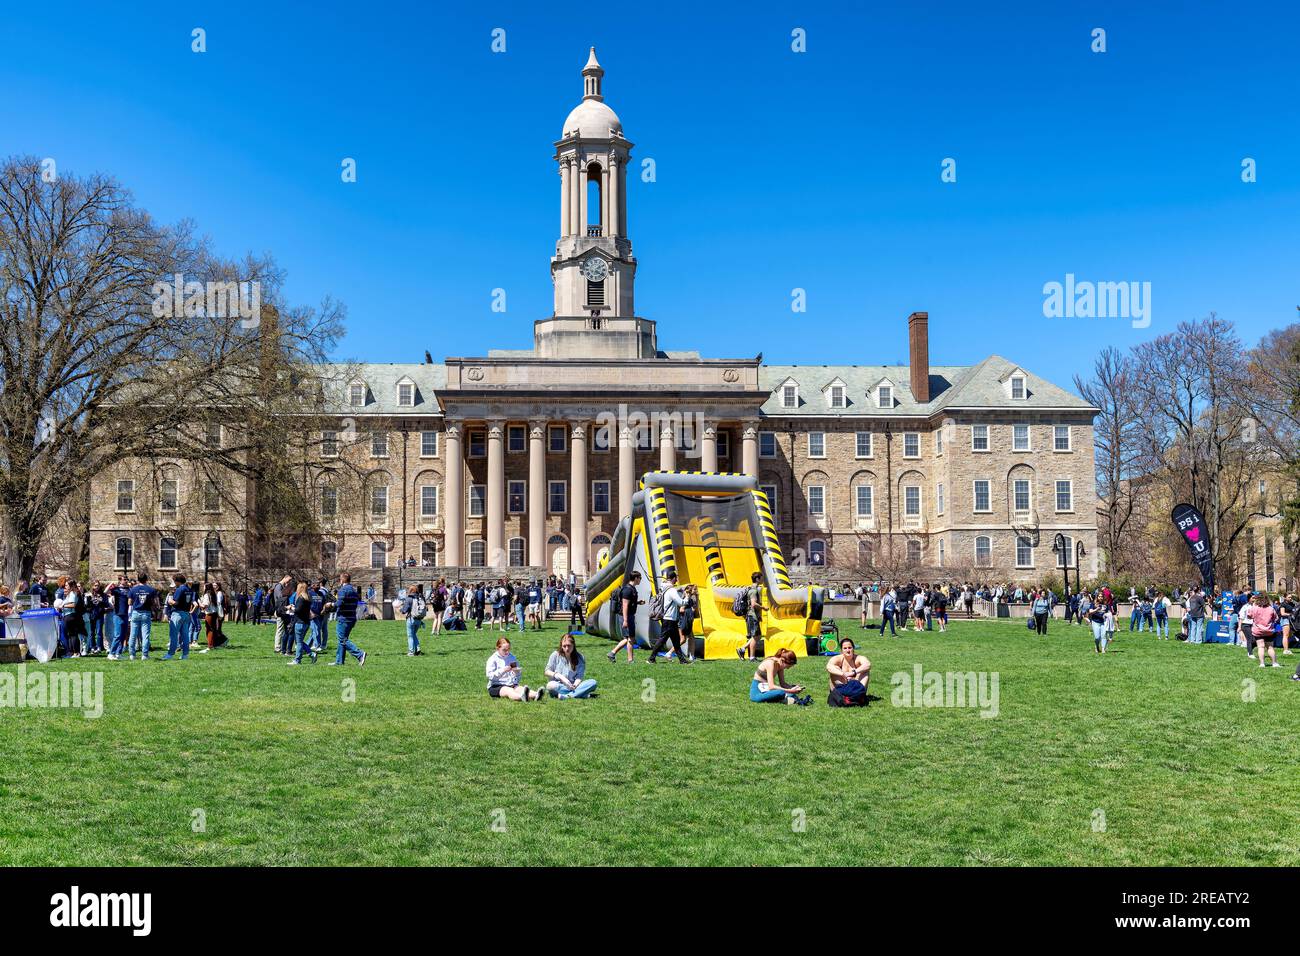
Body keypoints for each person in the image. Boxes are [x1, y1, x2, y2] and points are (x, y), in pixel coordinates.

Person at [645, 570, 689, 664]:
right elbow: (681, 603)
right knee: (662, 640)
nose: (677, 579)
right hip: (670, 619)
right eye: (676, 578)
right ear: (673, 578)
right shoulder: (671, 590)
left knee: (676, 641)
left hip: (668, 618)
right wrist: (687, 596)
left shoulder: (664, 588)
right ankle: (651, 658)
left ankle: (682, 661)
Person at [327, 573, 367, 667]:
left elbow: (339, 603)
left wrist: (331, 604)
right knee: (343, 639)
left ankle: (360, 654)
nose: (340, 581)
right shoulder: (353, 590)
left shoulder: (343, 590)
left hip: (344, 618)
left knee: (342, 639)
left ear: (343, 580)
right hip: (352, 617)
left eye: (340, 579)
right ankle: (339, 661)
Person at [486, 637, 544, 701]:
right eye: (504, 650)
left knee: (520, 689)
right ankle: (522, 697)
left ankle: (537, 694)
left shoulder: (512, 657)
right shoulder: (492, 659)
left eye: (508, 649)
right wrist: (503, 670)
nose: (507, 652)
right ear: (497, 648)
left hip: (511, 683)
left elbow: (517, 677)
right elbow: (490, 676)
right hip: (496, 685)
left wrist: (517, 672)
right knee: (509, 690)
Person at [544, 635, 598, 699]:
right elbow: (547, 671)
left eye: (569, 645)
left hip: (574, 686)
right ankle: (581, 694)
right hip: (559, 686)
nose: (567, 648)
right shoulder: (555, 655)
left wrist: (574, 686)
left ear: (573, 645)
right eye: (564, 646)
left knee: (593, 682)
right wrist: (559, 676)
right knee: (550, 685)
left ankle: (567, 696)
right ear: (561, 646)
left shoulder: (580, 657)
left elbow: (579, 677)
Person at [608, 570, 641, 663]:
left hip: (629, 615)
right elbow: (625, 605)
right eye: (640, 578)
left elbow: (629, 603)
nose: (640, 580)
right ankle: (630, 660)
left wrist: (638, 602)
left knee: (628, 638)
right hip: (626, 616)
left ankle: (612, 653)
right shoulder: (627, 589)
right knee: (630, 638)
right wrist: (625, 620)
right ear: (635, 578)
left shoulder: (632, 589)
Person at [826, 637, 870, 706]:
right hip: (841, 689)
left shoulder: (858, 658)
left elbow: (867, 664)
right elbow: (829, 667)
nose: (848, 650)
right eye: (845, 648)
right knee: (835, 669)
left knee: (865, 671)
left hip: (856, 689)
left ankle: (858, 695)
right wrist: (842, 674)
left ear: (853, 649)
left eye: (850, 648)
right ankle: (843, 697)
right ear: (841, 650)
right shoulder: (838, 659)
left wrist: (853, 672)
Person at [163, 574, 195, 660]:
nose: (174, 583)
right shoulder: (189, 589)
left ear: (177, 581)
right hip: (186, 614)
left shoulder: (179, 589)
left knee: (173, 635)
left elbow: (175, 602)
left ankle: (170, 654)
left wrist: (170, 601)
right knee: (185, 636)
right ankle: (185, 655)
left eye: (174, 581)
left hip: (177, 614)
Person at [127, 573, 157, 660]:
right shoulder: (151, 590)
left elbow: (129, 603)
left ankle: (132, 655)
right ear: (146, 579)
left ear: (138, 579)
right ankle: (145, 655)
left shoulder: (133, 589)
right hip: (146, 613)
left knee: (133, 634)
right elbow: (154, 602)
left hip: (136, 612)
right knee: (145, 635)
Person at [736, 572, 765, 661]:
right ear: (757, 579)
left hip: (752, 615)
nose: (762, 579)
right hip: (752, 616)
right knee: (756, 636)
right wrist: (763, 607)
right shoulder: (753, 590)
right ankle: (752, 657)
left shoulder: (752, 589)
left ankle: (742, 649)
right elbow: (753, 604)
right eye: (761, 578)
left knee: (757, 636)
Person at [1248, 593, 1281, 669]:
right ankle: (1274, 663)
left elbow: (1249, 616)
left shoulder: (1254, 608)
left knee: (1260, 647)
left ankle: (1262, 663)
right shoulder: (1270, 608)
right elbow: (1276, 618)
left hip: (1258, 631)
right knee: (1270, 647)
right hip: (1269, 631)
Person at [288, 582, 318, 665]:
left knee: (299, 642)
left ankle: (298, 660)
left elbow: (298, 610)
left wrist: (291, 607)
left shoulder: (301, 598)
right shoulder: (308, 598)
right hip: (306, 622)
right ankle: (312, 654)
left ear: (300, 588)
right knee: (299, 641)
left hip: (300, 622)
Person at [401, 585, 426, 656]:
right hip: (419, 620)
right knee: (414, 634)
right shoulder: (420, 597)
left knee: (410, 636)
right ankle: (418, 649)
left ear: (410, 591)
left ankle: (411, 652)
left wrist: (400, 609)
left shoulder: (409, 598)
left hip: (411, 619)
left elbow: (404, 610)